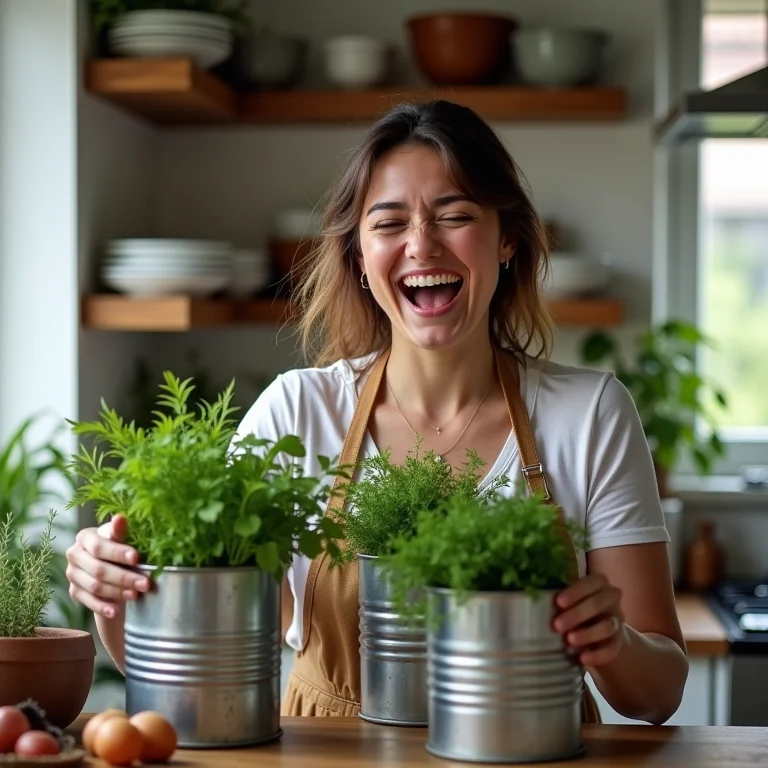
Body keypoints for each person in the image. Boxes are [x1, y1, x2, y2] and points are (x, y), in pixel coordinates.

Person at [65, 99, 688, 725]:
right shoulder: (297, 414)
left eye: (455, 216)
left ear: (507, 240)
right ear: (359, 257)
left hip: (531, 752)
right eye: (389, 224)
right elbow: (191, 669)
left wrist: (613, 642)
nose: (422, 245)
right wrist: (116, 596)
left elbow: (659, 693)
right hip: (332, 756)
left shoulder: (590, 414)